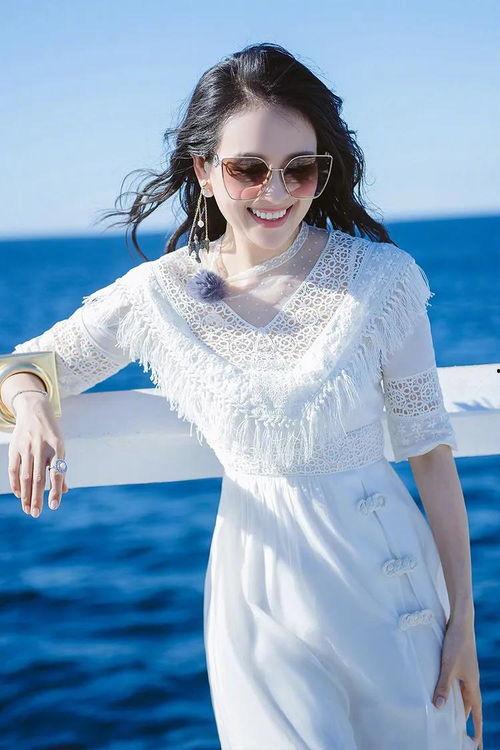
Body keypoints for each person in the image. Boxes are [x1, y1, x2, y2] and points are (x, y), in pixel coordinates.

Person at [0, 42, 482, 749]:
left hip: (391, 590)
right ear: (203, 170)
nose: (275, 191)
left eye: (299, 169)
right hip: (259, 601)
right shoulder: (157, 296)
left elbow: (431, 457)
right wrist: (33, 403)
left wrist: (464, 622)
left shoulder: (381, 279)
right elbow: (27, 361)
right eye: (248, 169)